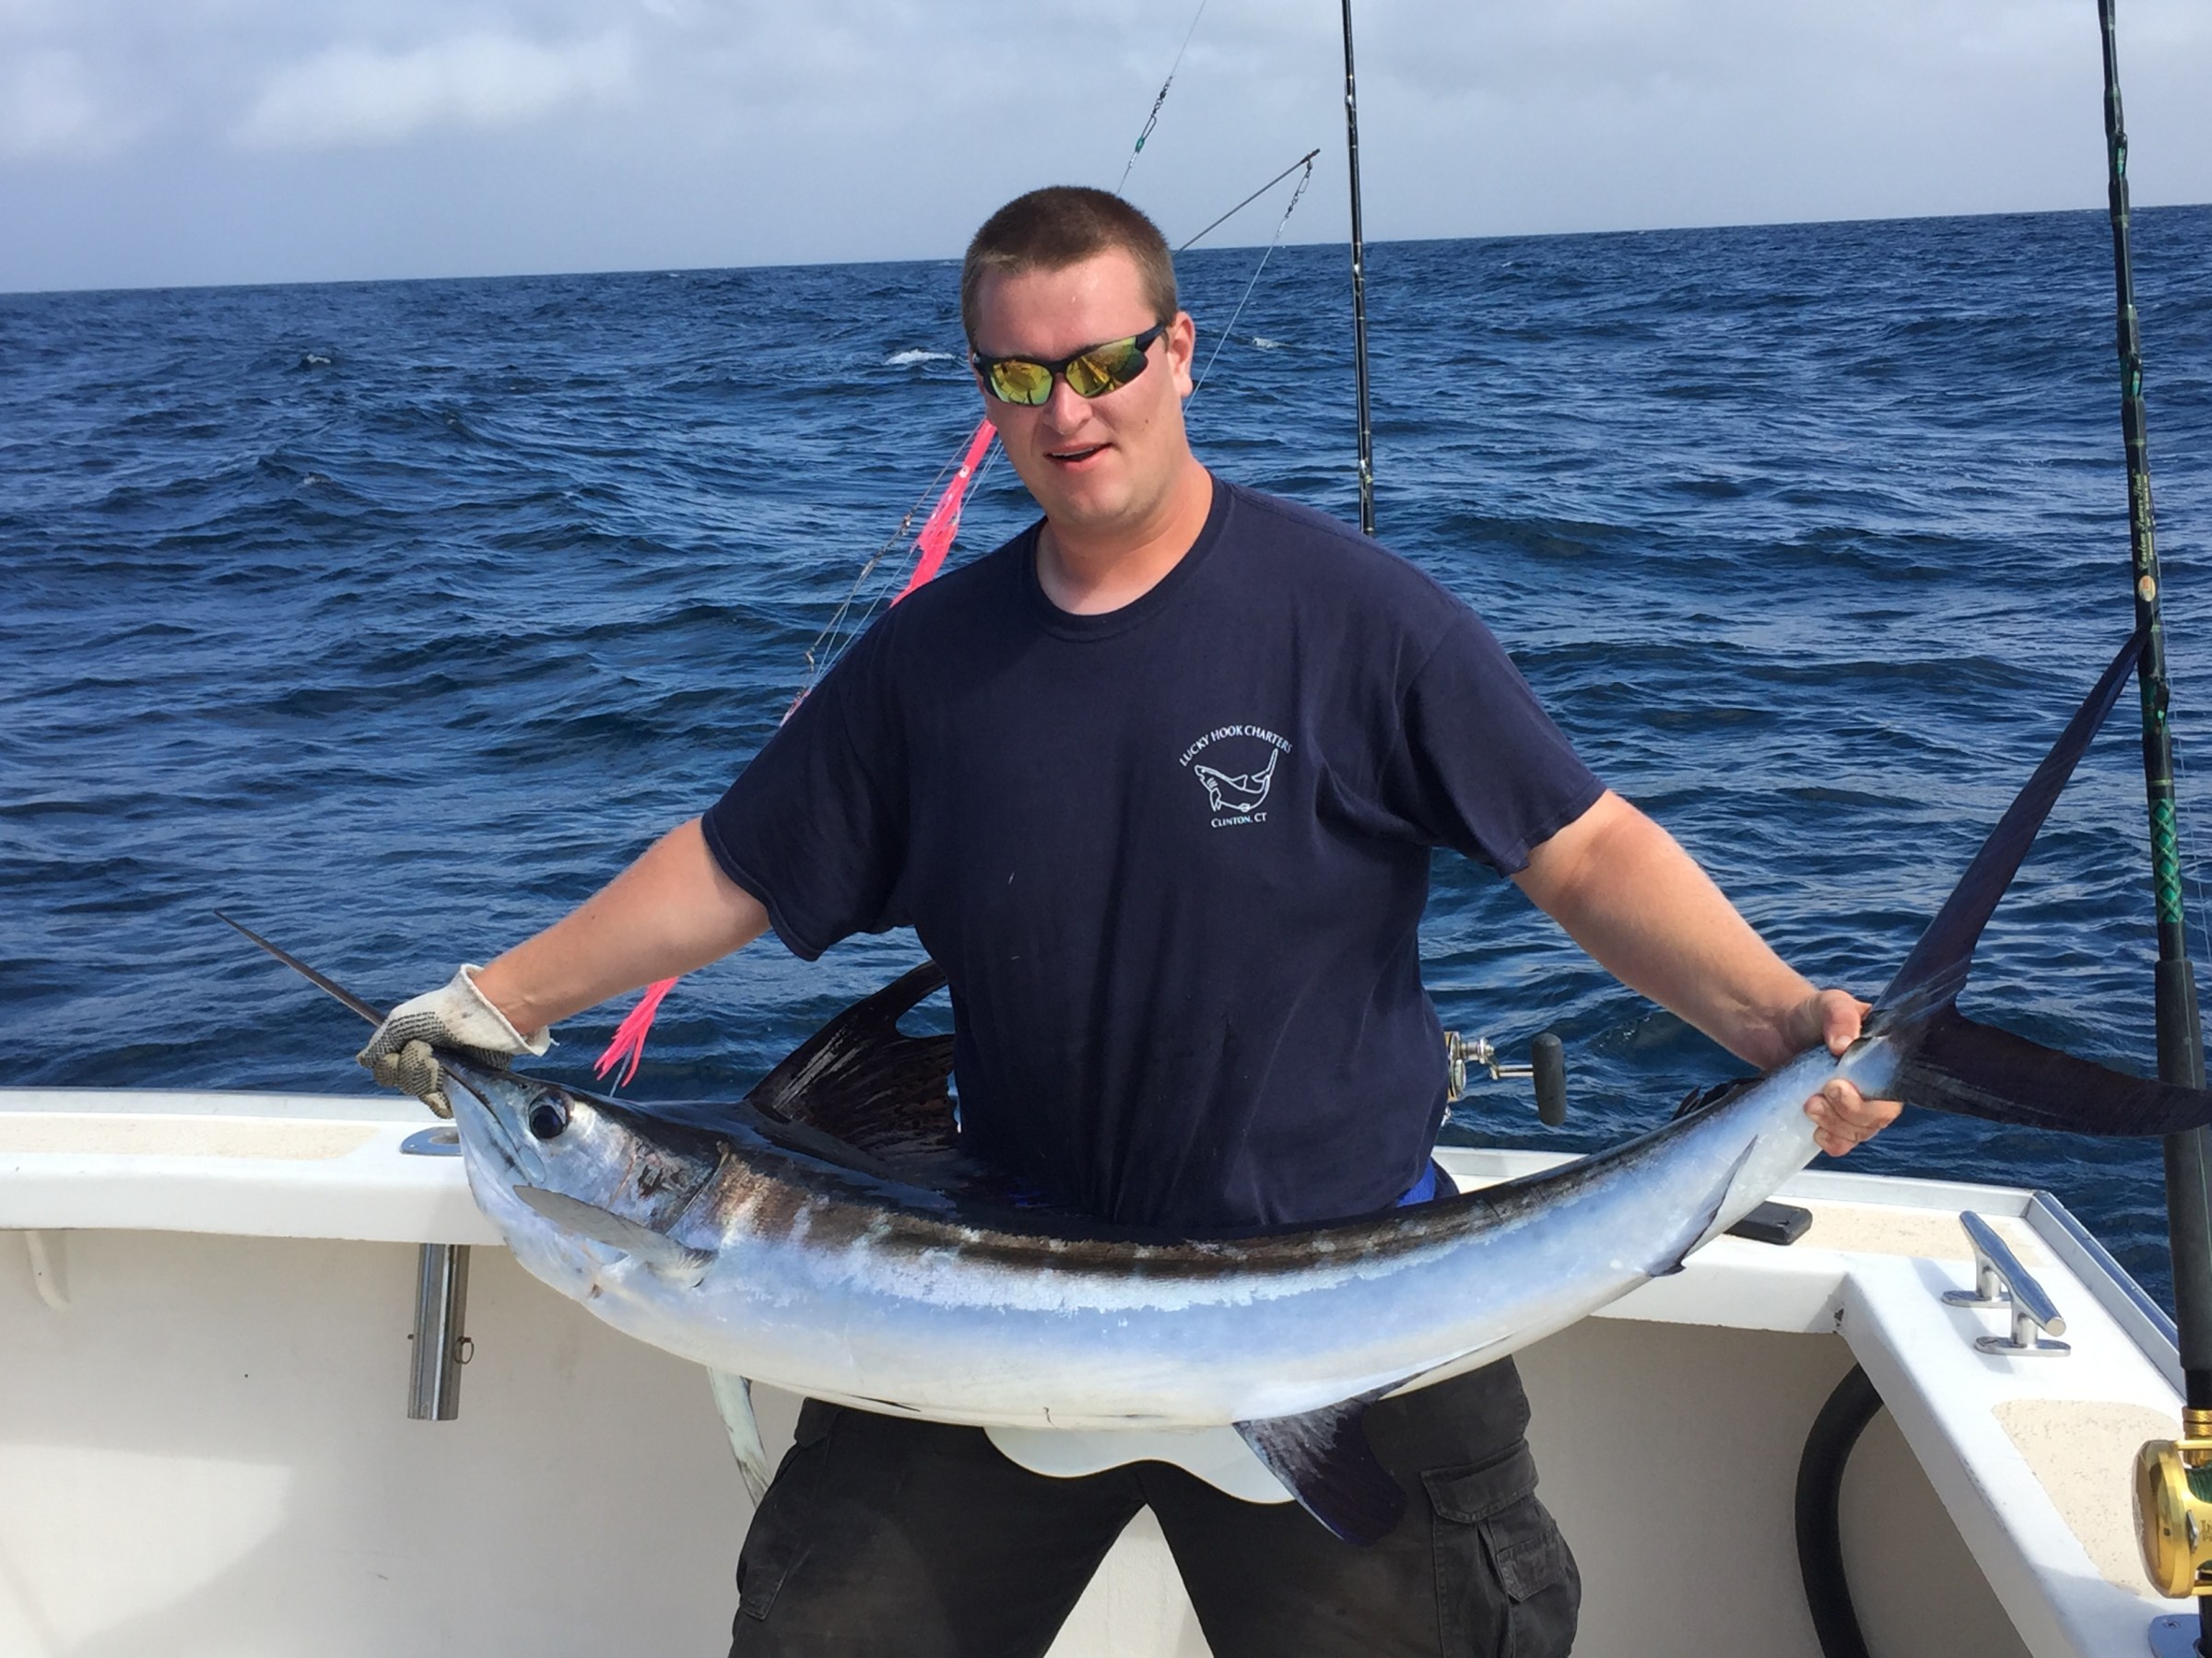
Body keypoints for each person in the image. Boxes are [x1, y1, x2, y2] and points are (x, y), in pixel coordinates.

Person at [359, 186, 1900, 1658]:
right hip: (985, 1295)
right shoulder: (928, 664)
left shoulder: (1365, 619)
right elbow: (738, 867)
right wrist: (503, 1002)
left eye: (1101, 364)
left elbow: (1582, 848)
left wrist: (1772, 1017)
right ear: (982, 389)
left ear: (1178, 351)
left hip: (1357, 1299)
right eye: (1019, 376)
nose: (1067, 411)